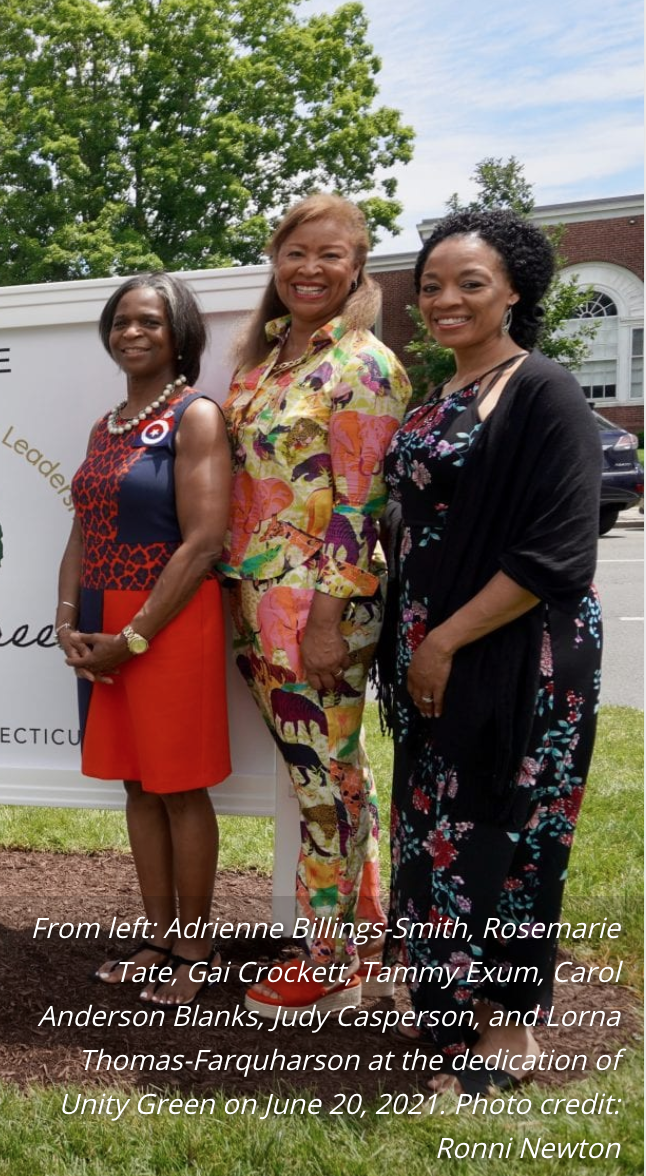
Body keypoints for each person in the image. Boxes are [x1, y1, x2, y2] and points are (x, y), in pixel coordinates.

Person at [377, 209, 600, 1095]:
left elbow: (557, 555)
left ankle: (505, 1034)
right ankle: (440, 1013)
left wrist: (447, 641)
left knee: (512, 833)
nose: (445, 300)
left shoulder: (544, 390)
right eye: (431, 285)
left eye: (471, 283)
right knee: (436, 828)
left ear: (514, 290)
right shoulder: (437, 402)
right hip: (434, 648)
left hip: (519, 655)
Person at [219, 194, 409, 1022]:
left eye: (331, 255)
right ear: (275, 258)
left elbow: (359, 509)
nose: (311, 269)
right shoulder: (265, 363)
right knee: (329, 773)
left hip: (316, 606)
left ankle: (329, 962)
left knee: (323, 782)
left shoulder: (363, 365)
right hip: (256, 596)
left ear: (358, 266)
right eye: (297, 252)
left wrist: (329, 617)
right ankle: (365, 929)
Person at [58, 275, 232, 1006]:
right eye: (121, 321)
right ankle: (157, 936)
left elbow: (203, 543)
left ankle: (196, 947)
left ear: (179, 333)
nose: (132, 332)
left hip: (166, 619)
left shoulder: (196, 418)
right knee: (136, 784)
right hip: (103, 617)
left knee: (179, 788)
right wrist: (67, 619)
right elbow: (83, 526)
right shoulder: (109, 426)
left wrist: (132, 638)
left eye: (150, 322)